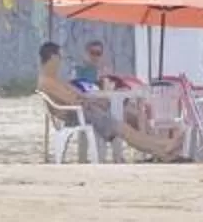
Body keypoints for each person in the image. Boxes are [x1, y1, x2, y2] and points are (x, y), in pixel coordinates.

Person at [38, 39, 182, 162]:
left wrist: (89, 99)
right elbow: (74, 100)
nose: (61, 61)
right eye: (59, 57)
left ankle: (162, 149)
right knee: (124, 130)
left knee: (126, 125)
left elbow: (79, 94)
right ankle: (163, 145)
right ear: (52, 58)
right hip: (80, 116)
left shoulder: (54, 79)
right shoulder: (47, 82)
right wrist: (89, 100)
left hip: (86, 113)